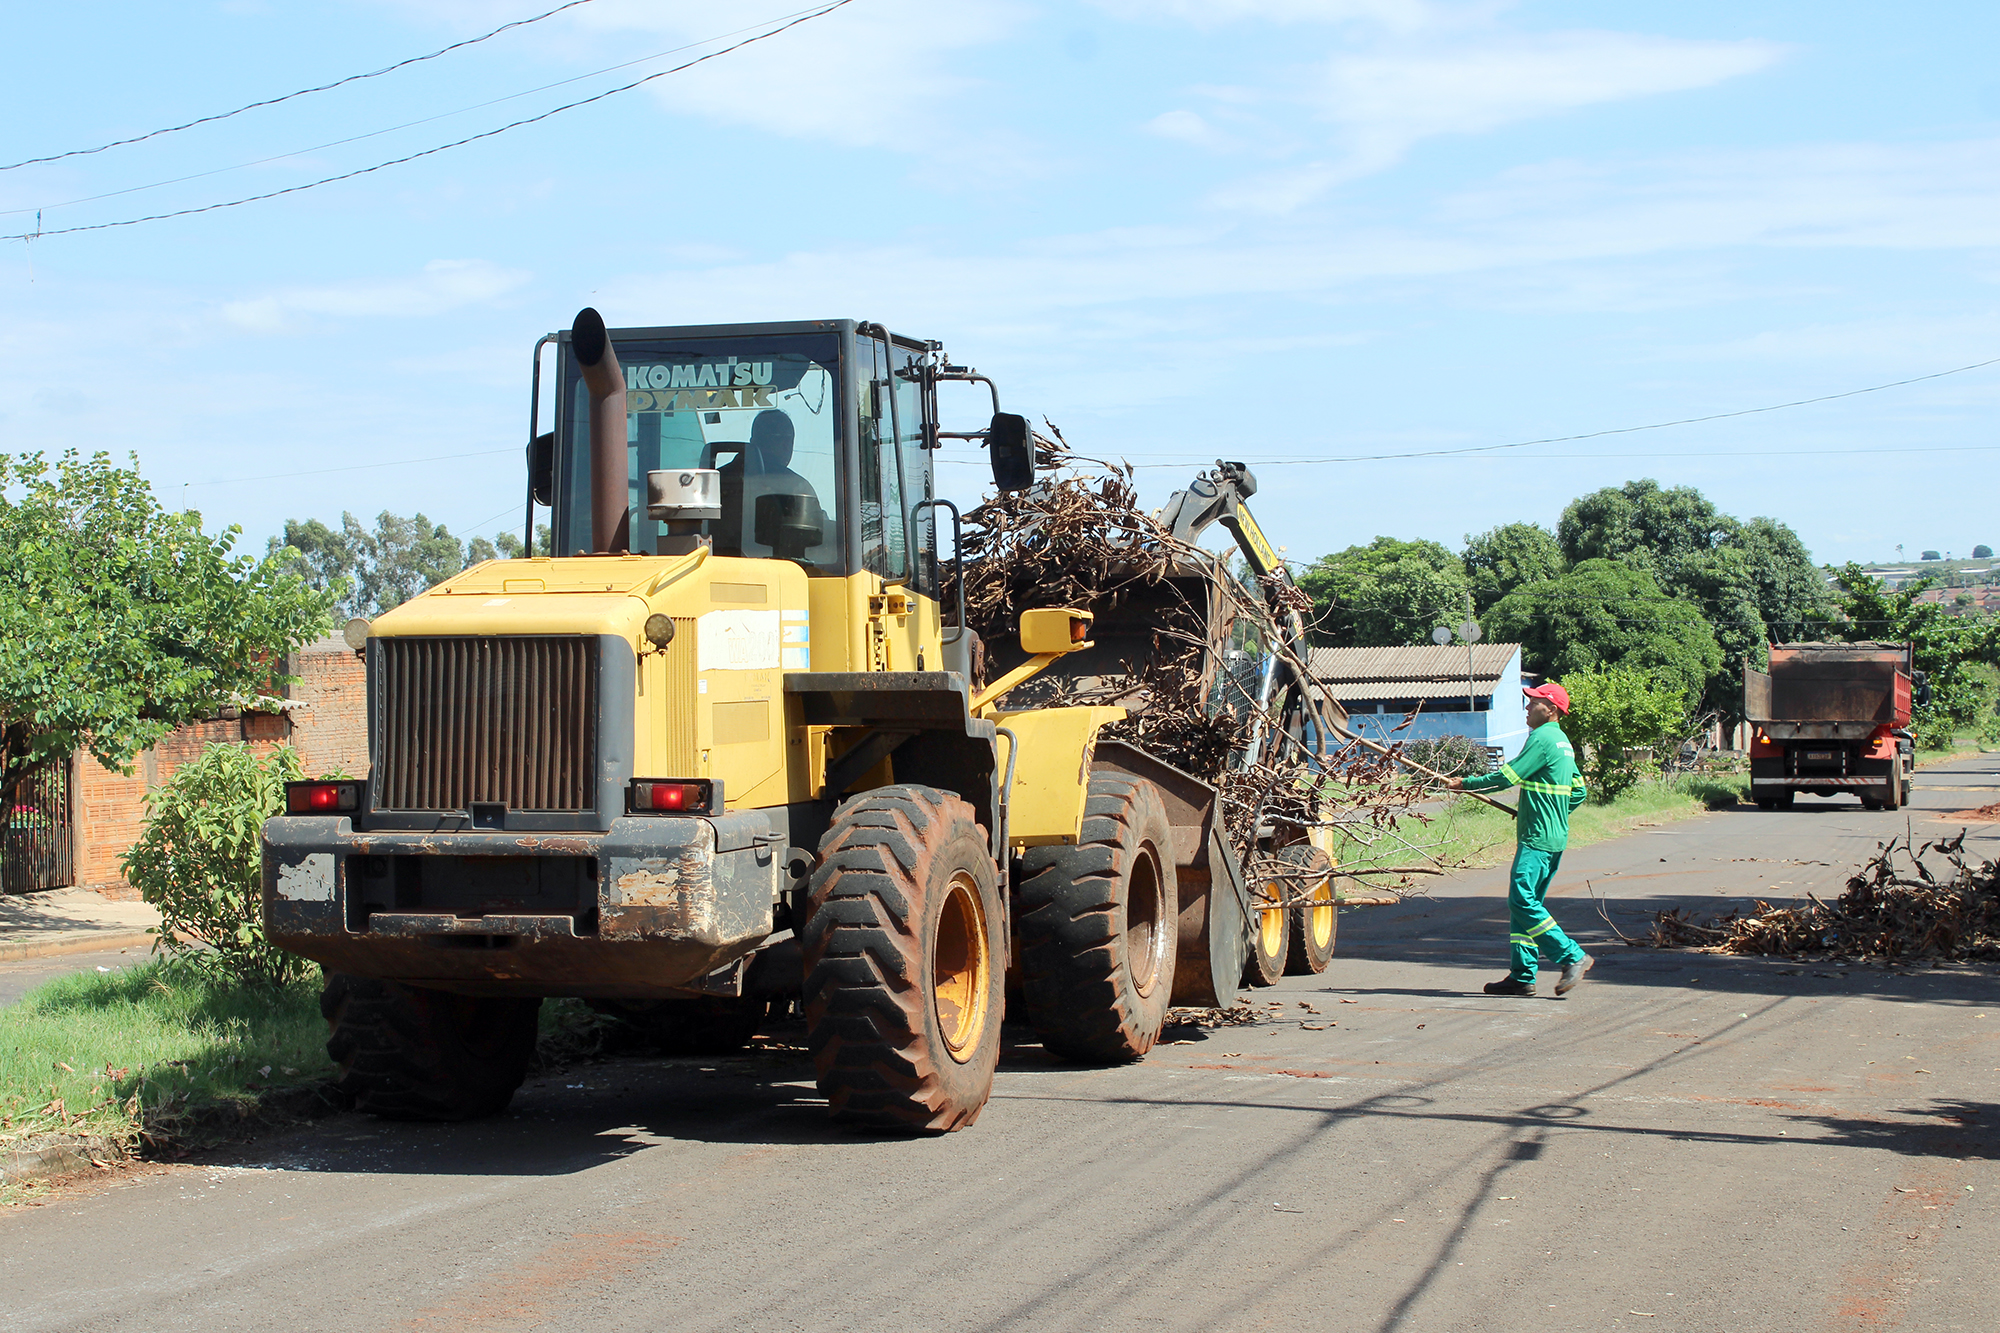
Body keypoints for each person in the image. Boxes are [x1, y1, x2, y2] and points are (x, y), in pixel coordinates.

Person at [1446, 682, 1592, 997]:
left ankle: (1572, 956)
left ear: (1551, 709)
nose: (1527, 708)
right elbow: (1578, 790)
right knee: (1527, 905)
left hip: (1537, 837)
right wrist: (1549, 810)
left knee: (1521, 900)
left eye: (1533, 703)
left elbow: (1506, 777)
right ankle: (1523, 976)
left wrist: (1465, 783)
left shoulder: (1541, 738)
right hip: (1552, 836)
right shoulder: (1563, 742)